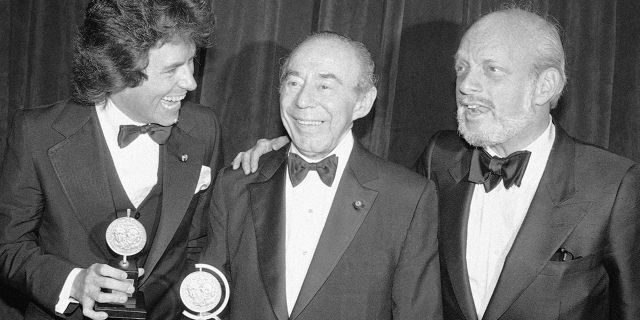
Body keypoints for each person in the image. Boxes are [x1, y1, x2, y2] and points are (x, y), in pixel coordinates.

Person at [233, 7, 640, 320]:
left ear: (545, 85)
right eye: (461, 67)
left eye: (491, 70)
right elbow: (365, 193)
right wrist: (299, 142)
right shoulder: (440, 158)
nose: (466, 85)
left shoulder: (613, 184)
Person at [0, 1, 222, 319]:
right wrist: (72, 282)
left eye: (191, 63)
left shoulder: (204, 128)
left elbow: (201, 241)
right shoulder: (37, 134)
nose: (190, 82)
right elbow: (8, 245)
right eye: (172, 70)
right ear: (117, 72)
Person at [202, 32, 442, 319]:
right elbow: (204, 300)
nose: (303, 100)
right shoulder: (235, 184)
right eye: (293, 83)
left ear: (363, 102)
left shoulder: (407, 199)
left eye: (325, 86)